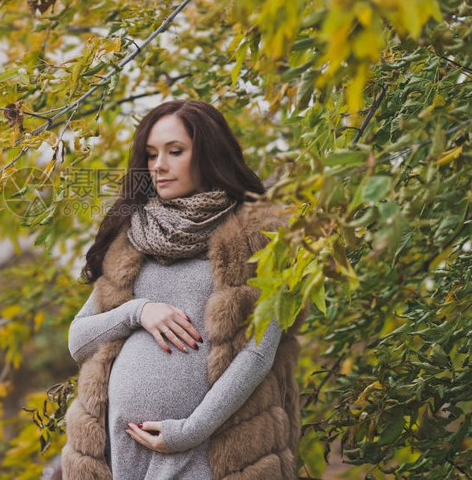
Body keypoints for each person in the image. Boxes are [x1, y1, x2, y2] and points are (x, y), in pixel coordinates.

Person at [60, 100, 306, 479]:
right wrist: (138, 312)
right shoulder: (133, 238)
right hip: (121, 452)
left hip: (212, 449)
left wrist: (189, 431)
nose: (159, 165)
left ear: (208, 154)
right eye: (152, 154)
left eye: (175, 152)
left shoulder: (259, 235)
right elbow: (79, 341)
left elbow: (259, 353)